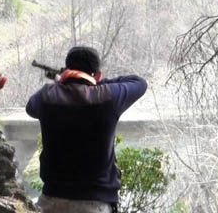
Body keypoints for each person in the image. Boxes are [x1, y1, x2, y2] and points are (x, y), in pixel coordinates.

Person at [26, 46, 147, 213]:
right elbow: (139, 82)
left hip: (51, 201)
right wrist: (95, 83)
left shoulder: (47, 96)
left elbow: (31, 107)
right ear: (97, 75)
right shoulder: (108, 97)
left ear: (67, 69)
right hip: (95, 204)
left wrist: (65, 81)